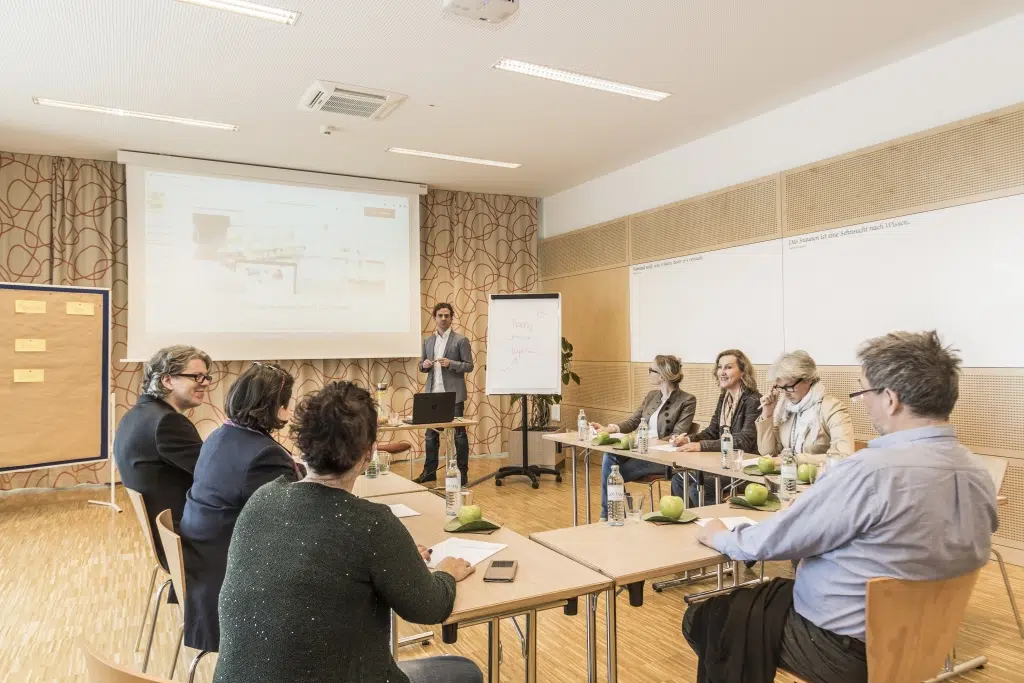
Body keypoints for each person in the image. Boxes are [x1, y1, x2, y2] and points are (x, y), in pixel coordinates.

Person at [683, 331, 998, 683]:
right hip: (927, 641)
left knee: (708, 618)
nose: (863, 402)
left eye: (864, 391)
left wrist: (722, 535)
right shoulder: (977, 471)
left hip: (841, 648)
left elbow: (768, 543)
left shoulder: (869, 471)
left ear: (890, 399)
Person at [213, 381, 482, 683]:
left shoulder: (262, 499)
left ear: (302, 445)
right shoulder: (371, 523)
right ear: (370, 453)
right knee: (464, 671)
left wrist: (398, 561)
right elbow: (430, 608)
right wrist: (446, 572)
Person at [180, 362, 303, 654]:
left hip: (205, 565)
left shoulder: (219, 436)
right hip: (234, 582)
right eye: (286, 402)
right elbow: (295, 519)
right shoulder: (263, 455)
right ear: (276, 406)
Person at [114, 344, 211, 569]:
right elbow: (215, 475)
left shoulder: (137, 415)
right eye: (196, 377)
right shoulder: (168, 422)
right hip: (186, 544)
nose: (205, 383)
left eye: (206, 377)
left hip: (167, 540)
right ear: (167, 380)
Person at [590, 354, 696, 521]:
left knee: (612, 473)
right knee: (609, 456)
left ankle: (611, 515)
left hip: (662, 458)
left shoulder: (687, 400)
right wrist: (608, 429)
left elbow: (678, 433)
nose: (648, 373)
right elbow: (633, 421)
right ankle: (612, 514)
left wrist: (651, 443)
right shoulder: (651, 396)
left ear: (662, 376)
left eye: (651, 370)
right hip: (640, 451)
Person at [669, 349, 761, 506]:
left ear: (743, 371)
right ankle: (689, 525)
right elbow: (712, 432)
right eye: (720, 367)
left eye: (728, 367)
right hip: (722, 464)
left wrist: (700, 446)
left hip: (745, 469)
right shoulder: (724, 398)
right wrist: (688, 439)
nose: (722, 372)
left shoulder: (753, 400)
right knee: (679, 479)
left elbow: (744, 441)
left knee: (699, 488)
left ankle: (717, 527)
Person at [756, 350, 855, 466]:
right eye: (780, 388)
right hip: (789, 477)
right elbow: (767, 453)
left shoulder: (832, 408)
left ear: (808, 379)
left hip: (820, 479)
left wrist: (796, 460)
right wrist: (767, 413)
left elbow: (844, 456)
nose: (785, 394)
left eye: (789, 387)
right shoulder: (785, 409)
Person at [415, 302, 474, 486]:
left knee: (459, 435)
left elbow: (469, 365)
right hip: (433, 394)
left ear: (451, 318)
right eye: (440, 315)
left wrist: (452, 364)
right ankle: (429, 472)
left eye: (446, 315)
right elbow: (421, 365)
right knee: (431, 436)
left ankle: (462, 473)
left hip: (453, 396)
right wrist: (423, 365)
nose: (443, 319)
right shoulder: (428, 341)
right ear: (434, 318)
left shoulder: (460, 340)